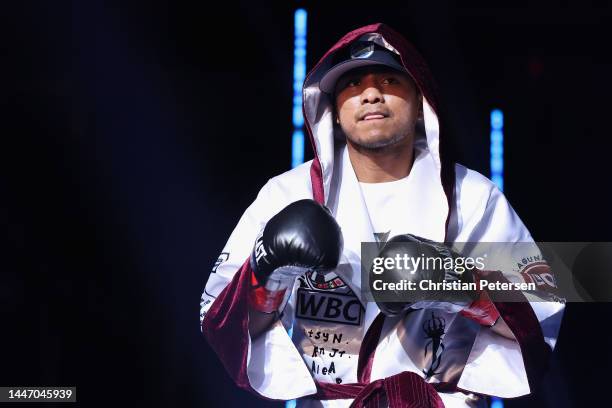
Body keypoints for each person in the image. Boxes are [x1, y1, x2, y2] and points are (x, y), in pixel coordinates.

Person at [200, 23, 564, 407]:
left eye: (389, 81)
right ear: (334, 112)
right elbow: (224, 326)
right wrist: (267, 273)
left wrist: (464, 286)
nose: (371, 94)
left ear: (420, 104)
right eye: (353, 84)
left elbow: (539, 322)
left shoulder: (472, 196)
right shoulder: (288, 194)